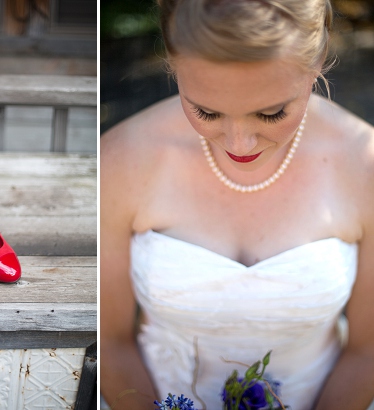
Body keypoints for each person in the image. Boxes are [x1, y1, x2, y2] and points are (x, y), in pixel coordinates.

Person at [100, 0, 374, 409]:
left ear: (317, 58)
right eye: (206, 111)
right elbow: (111, 341)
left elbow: (367, 352)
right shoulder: (120, 160)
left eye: (271, 113)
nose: (238, 144)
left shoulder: (365, 164)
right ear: (172, 64)